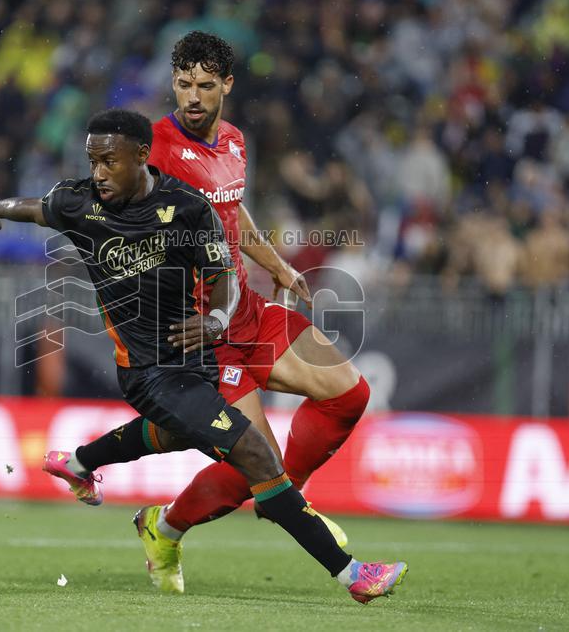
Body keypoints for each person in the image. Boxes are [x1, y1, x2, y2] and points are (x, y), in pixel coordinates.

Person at [0, 108, 407, 604]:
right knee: (255, 453)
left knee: (178, 433)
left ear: (141, 157)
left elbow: (222, 279)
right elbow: (35, 207)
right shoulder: (79, 203)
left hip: (198, 355)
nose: (99, 173)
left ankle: (82, 463)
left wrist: (216, 320)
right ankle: (352, 576)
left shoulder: (188, 207)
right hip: (150, 374)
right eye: (93, 161)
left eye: (109, 161)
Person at [76, 31, 377, 595]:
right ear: (173, 83)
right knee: (251, 462)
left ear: (227, 86)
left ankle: (277, 493)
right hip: (200, 333)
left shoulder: (235, 142)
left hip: (249, 310)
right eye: (184, 84)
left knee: (348, 393)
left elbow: (233, 215)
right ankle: (181, 523)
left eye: (206, 86)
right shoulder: (154, 151)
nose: (193, 96)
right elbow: (113, 216)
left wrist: (280, 266)